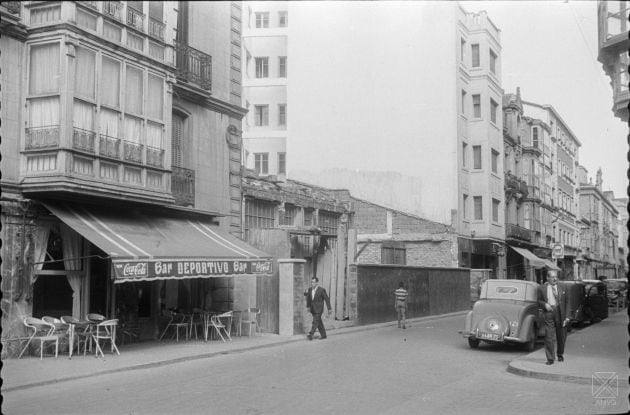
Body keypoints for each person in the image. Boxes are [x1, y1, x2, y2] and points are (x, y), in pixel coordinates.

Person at [537, 270, 570, 365]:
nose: (555, 278)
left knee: (562, 335)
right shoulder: (541, 288)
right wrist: (544, 305)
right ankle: (550, 358)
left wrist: (567, 317)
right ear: (547, 278)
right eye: (552, 277)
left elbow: (568, 302)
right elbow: (538, 301)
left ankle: (560, 354)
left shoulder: (563, 287)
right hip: (549, 312)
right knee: (549, 336)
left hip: (561, 312)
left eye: (556, 277)